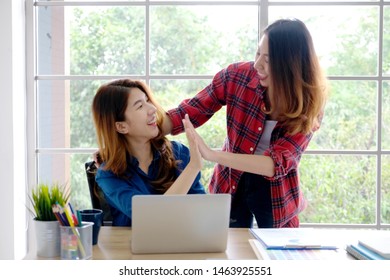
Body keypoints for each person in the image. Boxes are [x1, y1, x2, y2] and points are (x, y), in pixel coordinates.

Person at [162, 18, 328, 228]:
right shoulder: (237, 76)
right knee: (225, 249)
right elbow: (190, 111)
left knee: (276, 253)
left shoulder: (310, 103)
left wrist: (212, 154)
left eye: (268, 59)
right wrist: (151, 127)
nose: (257, 64)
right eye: (258, 53)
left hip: (275, 190)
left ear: (290, 65)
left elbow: (276, 164)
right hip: (231, 180)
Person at [91, 79, 206, 226]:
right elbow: (150, 217)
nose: (152, 109)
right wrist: (193, 167)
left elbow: (202, 212)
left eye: (147, 101)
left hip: (183, 244)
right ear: (121, 126)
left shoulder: (180, 153)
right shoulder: (108, 174)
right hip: (128, 248)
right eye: (140, 106)